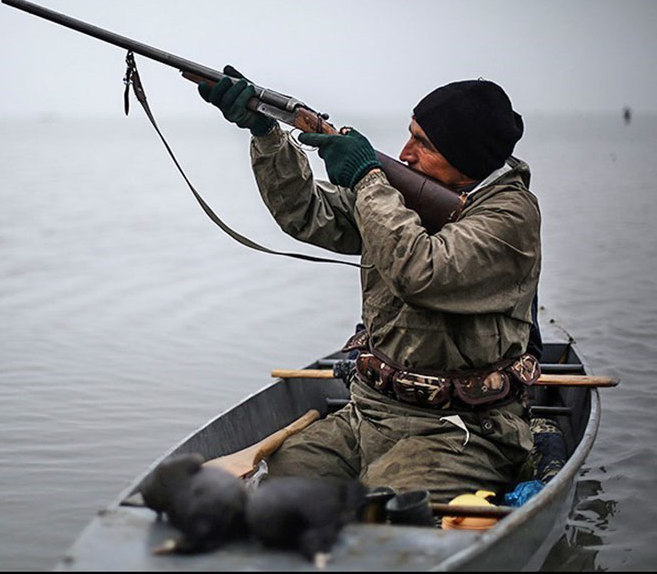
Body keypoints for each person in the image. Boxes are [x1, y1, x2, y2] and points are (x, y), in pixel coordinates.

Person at [198, 67, 541, 504]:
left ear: (468, 159)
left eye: (424, 143)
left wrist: (367, 178)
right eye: (410, 134)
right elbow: (306, 213)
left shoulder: (511, 219)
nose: (405, 153)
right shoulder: (407, 196)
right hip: (368, 414)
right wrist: (266, 132)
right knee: (270, 488)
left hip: (466, 430)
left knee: (384, 511)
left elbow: (419, 271)